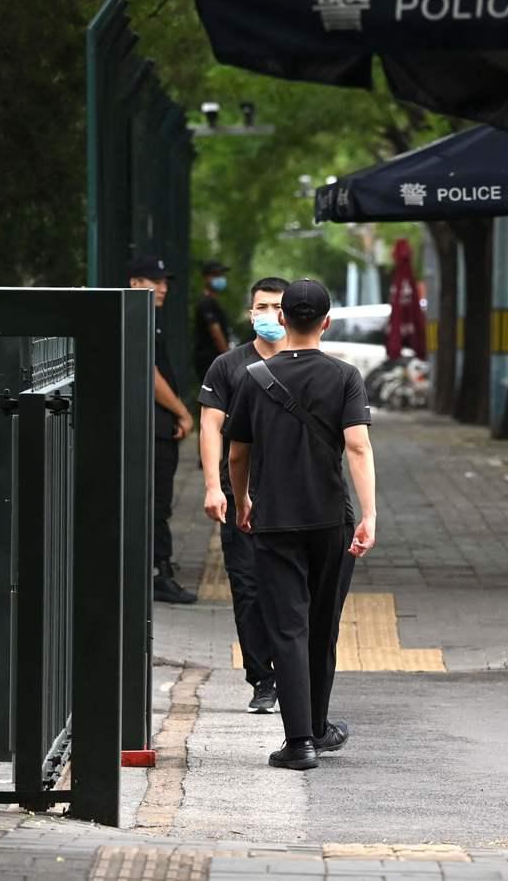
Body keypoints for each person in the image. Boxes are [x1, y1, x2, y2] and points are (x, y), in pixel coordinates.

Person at [226, 278, 376, 771]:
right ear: (327, 322)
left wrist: (244, 499)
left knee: (288, 629)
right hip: (331, 518)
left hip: (275, 520)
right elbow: (357, 447)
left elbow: (238, 453)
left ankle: (300, 743)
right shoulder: (345, 377)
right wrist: (369, 515)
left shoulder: (253, 377)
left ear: (283, 319)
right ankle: (318, 725)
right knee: (322, 626)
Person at [198, 277, 289, 714]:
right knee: (248, 588)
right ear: (250, 312)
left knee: (291, 589)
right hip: (241, 497)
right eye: (261, 306)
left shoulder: (308, 363)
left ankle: (293, 672)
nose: (269, 314)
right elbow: (211, 426)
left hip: (294, 498)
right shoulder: (228, 366)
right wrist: (214, 488)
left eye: (277, 306)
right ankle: (262, 678)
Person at [128, 254, 198, 605]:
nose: (163, 288)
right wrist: (183, 413)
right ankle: (158, 573)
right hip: (154, 426)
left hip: (153, 425)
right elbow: (150, 375)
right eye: (156, 281)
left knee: (154, 501)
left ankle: (154, 567)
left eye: (165, 282)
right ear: (136, 283)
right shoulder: (138, 318)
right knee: (156, 502)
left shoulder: (146, 318)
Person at [194, 260, 233, 381]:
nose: (220, 279)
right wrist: (228, 358)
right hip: (210, 360)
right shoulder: (206, 303)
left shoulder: (213, 302)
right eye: (216, 275)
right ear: (206, 278)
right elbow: (216, 332)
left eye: (221, 275)